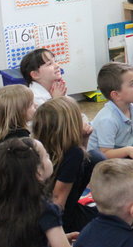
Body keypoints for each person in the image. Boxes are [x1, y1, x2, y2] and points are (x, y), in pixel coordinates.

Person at [33, 97, 102, 233]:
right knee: (114, 218)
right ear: (71, 125)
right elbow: (58, 199)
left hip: (39, 210)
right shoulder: (73, 153)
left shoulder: (41, 144)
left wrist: (84, 139)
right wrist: (56, 236)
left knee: (93, 158)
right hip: (57, 219)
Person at [87, 62, 133, 161]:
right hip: (102, 160)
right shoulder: (108, 119)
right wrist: (129, 150)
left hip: (123, 149)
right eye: (132, 84)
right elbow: (105, 154)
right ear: (116, 95)